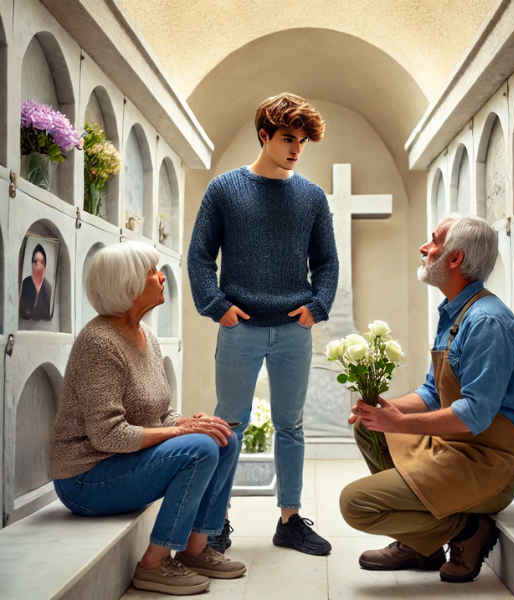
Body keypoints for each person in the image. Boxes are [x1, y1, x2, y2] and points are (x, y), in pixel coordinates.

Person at [340, 213, 514, 584]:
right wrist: (386, 409)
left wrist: (399, 423)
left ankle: (467, 530)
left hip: (491, 462)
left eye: (434, 240)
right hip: (456, 447)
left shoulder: (487, 323)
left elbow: (475, 414)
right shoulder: (455, 311)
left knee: (356, 504)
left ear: (454, 258)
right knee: (368, 429)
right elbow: (433, 393)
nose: (424, 247)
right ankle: (422, 544)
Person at [188, 93, 339, 556]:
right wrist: (218, 307)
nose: (296, 148)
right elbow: (198, 256)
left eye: (303, 141)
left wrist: (318, 306)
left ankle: (289, 521)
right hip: (240, 327)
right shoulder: (224, 190)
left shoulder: (312, 196)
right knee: (228, 425)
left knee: (290, 425)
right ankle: (216, 522)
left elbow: (328, 262)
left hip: (294, 329)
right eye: (288, 139)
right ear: (264, 136)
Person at [50, 242, 246, 596]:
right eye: (152, 273)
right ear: (127, 285)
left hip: (123, 462)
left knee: (223, 436)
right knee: (201, 447)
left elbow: (159, 413)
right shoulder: (99, 343)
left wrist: (188, 422)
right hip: (86, 478)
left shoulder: (147, 337)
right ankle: (154, 565)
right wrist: (182, 431)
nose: (161, 278)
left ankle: (195, 550)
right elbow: (108, 436)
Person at [20, 243, 52, 321]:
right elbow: (22, 311)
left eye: (41, 262)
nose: (38, 265)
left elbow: (47, 316)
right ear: (32, 263)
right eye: (35, 261)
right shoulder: (25, 283)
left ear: (45, 265)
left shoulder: (48, 288)